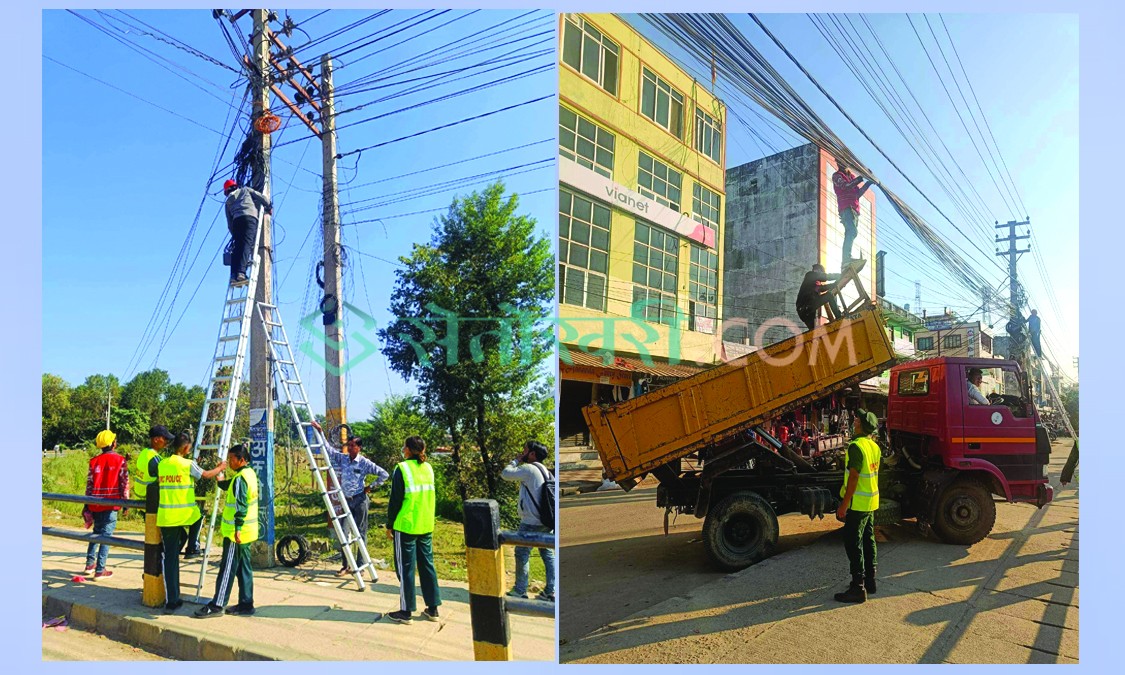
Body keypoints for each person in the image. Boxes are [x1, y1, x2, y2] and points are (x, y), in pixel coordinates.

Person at [157, 431, 226, 614]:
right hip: (185, 513)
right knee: (200, 517)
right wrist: (220, 468)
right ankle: (193, 547)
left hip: (166, 517)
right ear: (187, 448)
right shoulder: (187, 464)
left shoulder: (163, 464)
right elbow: (206, 475)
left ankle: (172, 601)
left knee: (170, 558)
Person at [311, 421, 389, 577]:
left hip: (360, 500)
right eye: (349, 445)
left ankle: (360, 566)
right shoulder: (344, 459)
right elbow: (329, 450)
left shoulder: (364, 463)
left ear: (359, 448)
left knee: (360, 533)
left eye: (353, 445)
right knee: (344, 532)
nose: (350, 448)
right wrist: (320, 432)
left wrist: (371, 487)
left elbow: (384, 474)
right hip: (346, 500)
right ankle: (346, 565)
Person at [195, 444, 259, 618]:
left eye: (232, 459)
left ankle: (217, 605)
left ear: (241, 460)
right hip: (247, 532)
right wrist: (220, 478)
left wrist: (237, 528)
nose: (229, 462)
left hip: (235, 534)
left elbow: (241, 505)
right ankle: (246, 604)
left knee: (227, 568)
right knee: (244, 568)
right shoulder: (248, 474)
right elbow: (229, 486)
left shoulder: (240, 479)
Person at [385, 436, 442, 624]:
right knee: (427, 566)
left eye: (404, 447)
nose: (403, 449)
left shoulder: (402, 469)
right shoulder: (428, 468)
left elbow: (395, 500)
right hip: (425, 524)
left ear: (408, 449)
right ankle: (433, 609)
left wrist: (389, 524)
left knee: (406, 569)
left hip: (406, 525)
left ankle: (406, 611)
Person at [500, 440, 557, 602]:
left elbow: (506, 474)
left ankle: (520, 590)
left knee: (522, 552)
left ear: (532, 454)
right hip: (546, 520)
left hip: (531, 521)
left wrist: (515, 460)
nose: (522, 453)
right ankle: (550, 591)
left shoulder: (529, 469)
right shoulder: (546, 471)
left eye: (525, 450)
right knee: (547, 553)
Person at [834, 410, 881, 603]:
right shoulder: (874, 446)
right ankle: (870, 581)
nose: (854, 421)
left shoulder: (856, 447)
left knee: (853, 542)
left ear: (860, 424)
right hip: (871, 501)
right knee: (869, 539)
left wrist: (844, 505)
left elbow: (854, 477)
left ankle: (857, 587)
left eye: (856, 419)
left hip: (857, 504)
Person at [84, 430, 131, 580]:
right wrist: (126, 503)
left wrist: (87, 505)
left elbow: (89, 486)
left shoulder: (94, 461)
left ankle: (89, 564)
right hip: (111, 505)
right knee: (106, 537)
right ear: (113, 443)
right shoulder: (120, 460)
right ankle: (100, 570)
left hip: (95, 504)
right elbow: (124, 484)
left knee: (96, 533)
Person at [223, 179, 272, 284]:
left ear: (227, 191)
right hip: (249, 218)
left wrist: (234, 234)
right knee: (247, 245)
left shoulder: (228, 202)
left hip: (236, 222)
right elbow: (261, 197)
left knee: (237, 248)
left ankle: (233, 275)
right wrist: (269, 205)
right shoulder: (245, 190)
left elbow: (229, 222)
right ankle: (241, 273)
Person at [832, 162, 873, 270]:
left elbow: (857, 194)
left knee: (851, 233)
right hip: (846, 208)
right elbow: (845, 186)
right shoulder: (837, 176)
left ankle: (846, 260)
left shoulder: (852, 177)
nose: (842, 163)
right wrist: (861, 177)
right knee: (852, 232)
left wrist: (868, 183)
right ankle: (846, 259)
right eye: (839, 161)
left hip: (855, 210)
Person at [796, 264, 843, 331]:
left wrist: (833, 285)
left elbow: (821, 288)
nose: (820, 282)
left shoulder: (812, 284)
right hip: (805, 307)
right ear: (817, 270)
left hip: (805, 312)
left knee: (814, 332)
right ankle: (839, 317)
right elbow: (824, 277)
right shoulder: (810, 275)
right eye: (821, 272)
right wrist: (839, 275)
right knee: (829, 296)